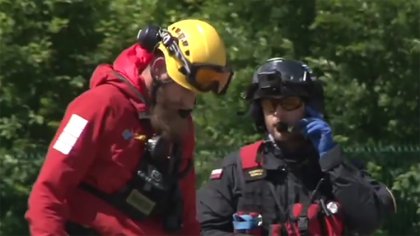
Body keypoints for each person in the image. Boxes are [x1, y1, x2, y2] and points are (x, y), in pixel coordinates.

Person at [25, 19, 233, 236]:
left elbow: (187, 219)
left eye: (195, 95)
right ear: (160, 69)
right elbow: (48, 194)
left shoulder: (180, 124)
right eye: (185, 90)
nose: (189, 103)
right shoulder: (97, 105)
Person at [197, 58, 396, 236]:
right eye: (269, 105)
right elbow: (203, 228)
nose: (278, 113)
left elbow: (368, 221)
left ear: (311, 107)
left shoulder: (337, 167)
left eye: (289, 103)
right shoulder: (237, 168)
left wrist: (332, 161)